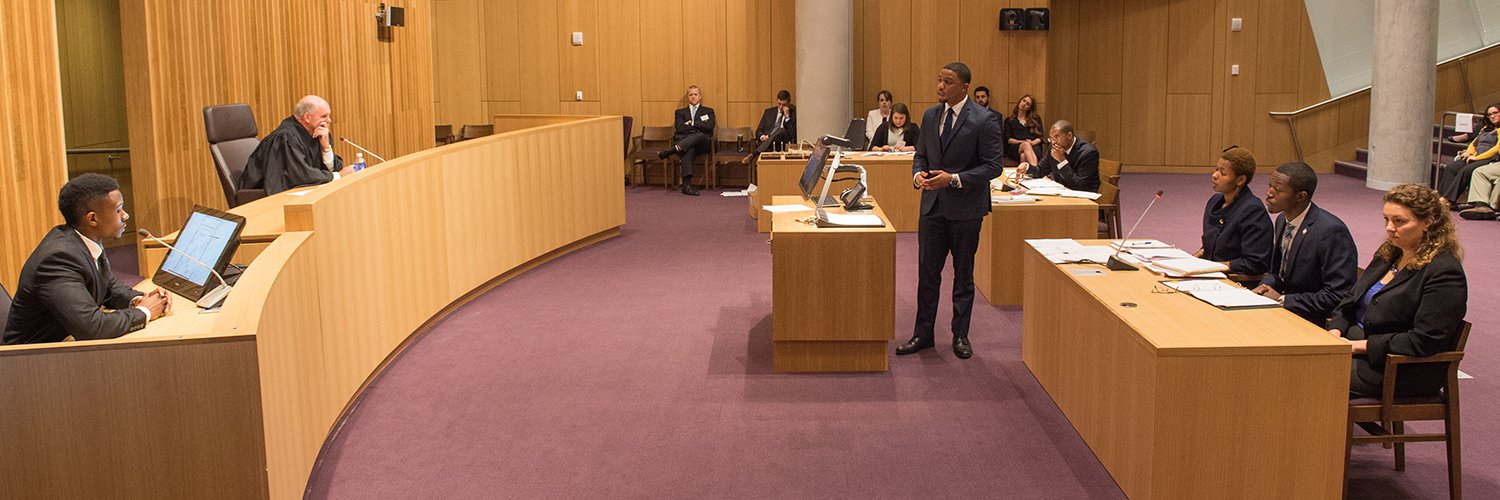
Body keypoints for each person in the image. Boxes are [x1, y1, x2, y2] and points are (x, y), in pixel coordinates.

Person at [897, 62, 1004, 360]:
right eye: (939, 80)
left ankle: (960, 335)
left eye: (947, 81)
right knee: (927, 274)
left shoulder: (984, 120)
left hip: (966, 208)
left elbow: (994, 166)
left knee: (963, 275)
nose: (940, 86)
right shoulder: (931, 115)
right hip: (932, 207)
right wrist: (917, 175)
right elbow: (921, 155)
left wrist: (955, 179)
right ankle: (923, 333)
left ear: (964, 87)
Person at [1328, 184, 1466, 398]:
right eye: (1387, 220)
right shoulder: (1389, 253)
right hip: (1357, 348)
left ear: (1427, 222)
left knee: (1309, 372)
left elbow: (1425, 340)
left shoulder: (1444, 272)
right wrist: (1335, 331)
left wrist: (1358, 347)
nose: (1390, 228)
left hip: (1398, 368)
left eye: (1399, 221)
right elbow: (1350, 300)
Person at [4, 174, 171, 345]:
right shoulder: (58, 258)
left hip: (59, 347)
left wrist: (139, 299)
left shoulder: (85, 240)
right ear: (93, 219)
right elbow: (91, 328)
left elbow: (108, 286)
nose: (125, 215)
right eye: (118, 209)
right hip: (29, 361)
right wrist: (145, 311)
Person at [1251, 162, 1358, 326]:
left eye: (1278, 190)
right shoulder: (1282, 220)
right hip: (1286, 311)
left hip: (1314, 319)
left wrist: (1282, 300)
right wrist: (1265, 286)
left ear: (1300, 196)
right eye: (1270, 186)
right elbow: (1279, 273)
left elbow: (1338, 294)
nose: (1268, 194)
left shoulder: (1330, 231)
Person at [239, 95, 354, 195]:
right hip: (261, 198)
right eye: (324, 116)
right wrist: (339, 175)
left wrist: (326, 148)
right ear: (307, 117)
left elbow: (334, 168)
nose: (329, 120)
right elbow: (300, 175)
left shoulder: (319, 132)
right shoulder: (285, 138)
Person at [1196, 146, 1274, 278]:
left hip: (1237, 280)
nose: (1214, 175)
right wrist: (1196, 257)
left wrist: (1214, 267)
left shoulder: (1253, 211)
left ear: (1240, 180)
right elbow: (1211, 247)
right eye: (1216, 169)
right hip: (1213, 274)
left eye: (1223, 173)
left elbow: (1255, 263)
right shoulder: (1215, 202)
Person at [1437, 103, 1500, 207]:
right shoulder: (1485, 128)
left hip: (1490, 158)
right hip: (1475, 156)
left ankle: (1448, 200)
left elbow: (1496, 149)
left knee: (1466, 170)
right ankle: (1442, 197)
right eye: (1489, 114)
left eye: (1495, 113)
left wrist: (1476, 158)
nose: (1492, 116)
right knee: (1451, 167)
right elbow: (1474, 143)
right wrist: (1468, 152)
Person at [657, 85, 716, 196]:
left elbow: (709, 127)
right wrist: (699, 126)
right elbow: (679, 128)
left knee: (699, 136)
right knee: (689, 148)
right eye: (690, 94)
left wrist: (692, 123)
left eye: (695, 94)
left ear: (700, 96)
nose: (693, 97)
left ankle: (672, 149)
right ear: (688, 97)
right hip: (686, 142)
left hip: (702, 143)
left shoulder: (709, 111)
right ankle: (687, 185)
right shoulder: (680, 112)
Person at [1020, 120, 1099, 192]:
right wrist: (1027, 166)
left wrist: (1062, 161)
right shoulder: (1053, 148)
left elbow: (1081, 185)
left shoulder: (1088, 152)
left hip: (1085, 198)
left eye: (1057, 137)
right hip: (1062, 191)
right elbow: (1041, 171)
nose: (1053, 142)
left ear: (1069, 136)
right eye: (1051, 138)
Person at [1003, 94, 1045, 166]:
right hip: (1016, 147)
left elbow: (1040, 138)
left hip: (1034, 146)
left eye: (1027, 104)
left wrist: (1031, 143)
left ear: (1029, 108)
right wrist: (1023, 142)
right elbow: (1009, 139)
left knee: (1023, 156)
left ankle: (1024, 175)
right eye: (1024, 101)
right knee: (1025, 145)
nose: (1024, 104)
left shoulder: (1036, 119)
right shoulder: (1009, 120)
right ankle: (1036, 170)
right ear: (1020, 101)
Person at [753, 90, 796, 155]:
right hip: (768, 143)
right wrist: (762, 136)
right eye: (779, 104)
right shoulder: (768, 112)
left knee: (781, 130)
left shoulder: (793, 114)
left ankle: (754, 154)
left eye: (784, 104)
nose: (781, 107)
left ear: (788, 103)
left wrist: (787, 117)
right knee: (767, 147)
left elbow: (792, 134)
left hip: (782, 143)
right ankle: (760, 151)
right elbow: (758, 130)